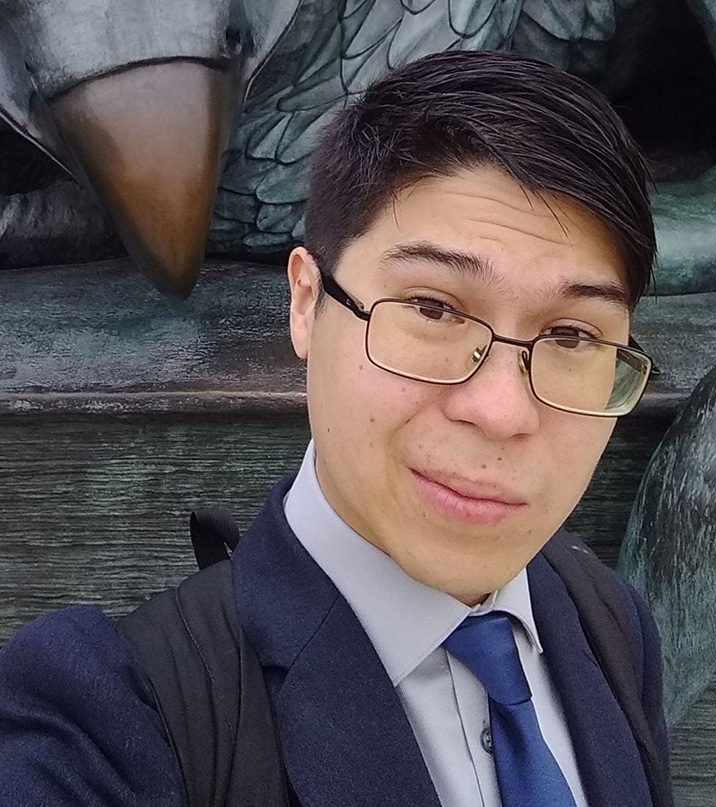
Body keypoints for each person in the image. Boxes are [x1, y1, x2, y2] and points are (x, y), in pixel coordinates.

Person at [0, 50, 670, 806]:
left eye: (573, 336)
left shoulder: (608, 624)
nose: (501, 411)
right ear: (305, 303)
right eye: (433, 310)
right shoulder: (108, 716)